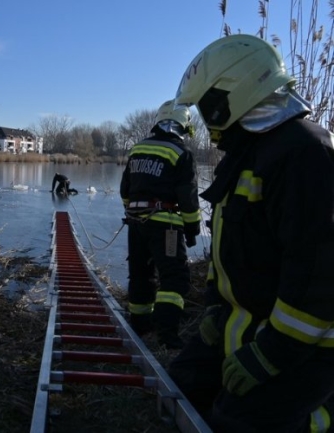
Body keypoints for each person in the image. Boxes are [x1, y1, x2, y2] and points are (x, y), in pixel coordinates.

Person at [167, 34, 334, 432]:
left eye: (207, 108)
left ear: (232, 95)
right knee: (181, 390)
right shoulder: (246, 155)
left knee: (238, 423)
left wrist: (272, 354)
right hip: (249, 330)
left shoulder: (304, 153)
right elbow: (227, 251)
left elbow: (318, 276)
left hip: (308, 348)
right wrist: (214, 308)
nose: (207, 124)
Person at [119, 100, 201, 349]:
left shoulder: (137, 149)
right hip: (166, 227)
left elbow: (125, 190)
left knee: (140, 274)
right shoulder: (181, 153)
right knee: (174, 279)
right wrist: (192, 229)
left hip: (136, 223)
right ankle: (168, 336)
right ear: (184, 126)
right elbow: (188, 197)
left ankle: (140, 325)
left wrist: (133, 212)